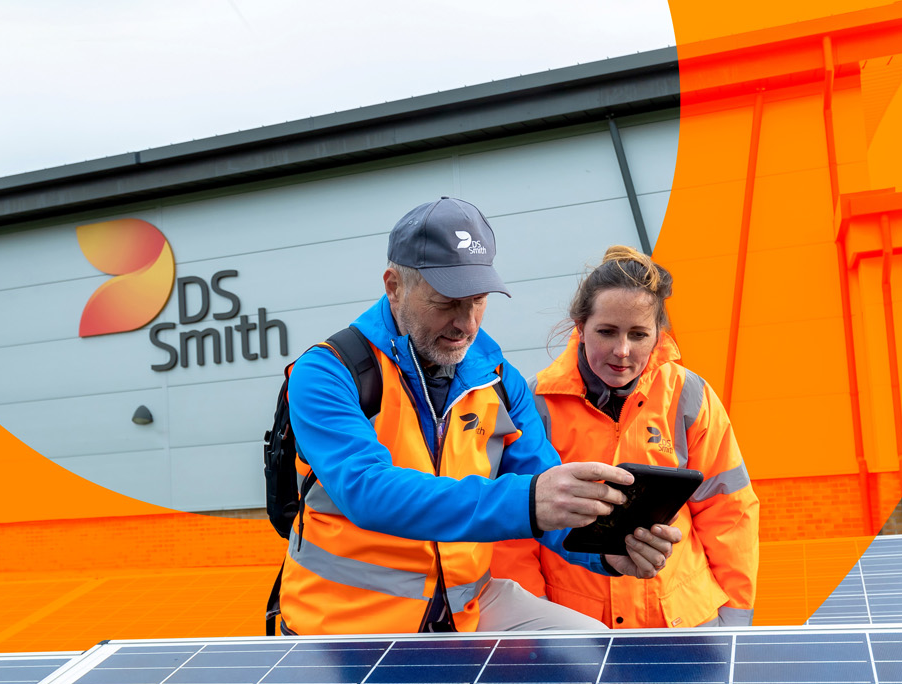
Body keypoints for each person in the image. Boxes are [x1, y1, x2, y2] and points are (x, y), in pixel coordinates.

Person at [278, 199, 682, 636]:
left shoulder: (498, 381)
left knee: (596, 654)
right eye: (447, 302)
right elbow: (367, 492)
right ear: (394, 286)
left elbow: (548, 497)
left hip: (466, 604)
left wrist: (603, 550)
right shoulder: (327, 371)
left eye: (478, 301)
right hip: (346, 626)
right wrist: (526, 501)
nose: (466, 324)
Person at [492, 246, 760, 628]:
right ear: (580, 327)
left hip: (683, 622)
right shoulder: (533, 406)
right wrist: (535, 629)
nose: (622, 351)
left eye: (638, 334)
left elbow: (730, 513)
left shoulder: (689, 396)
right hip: (577, 630)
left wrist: (736, 621)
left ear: (657, 334)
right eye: (606, 332)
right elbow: (514, 532)